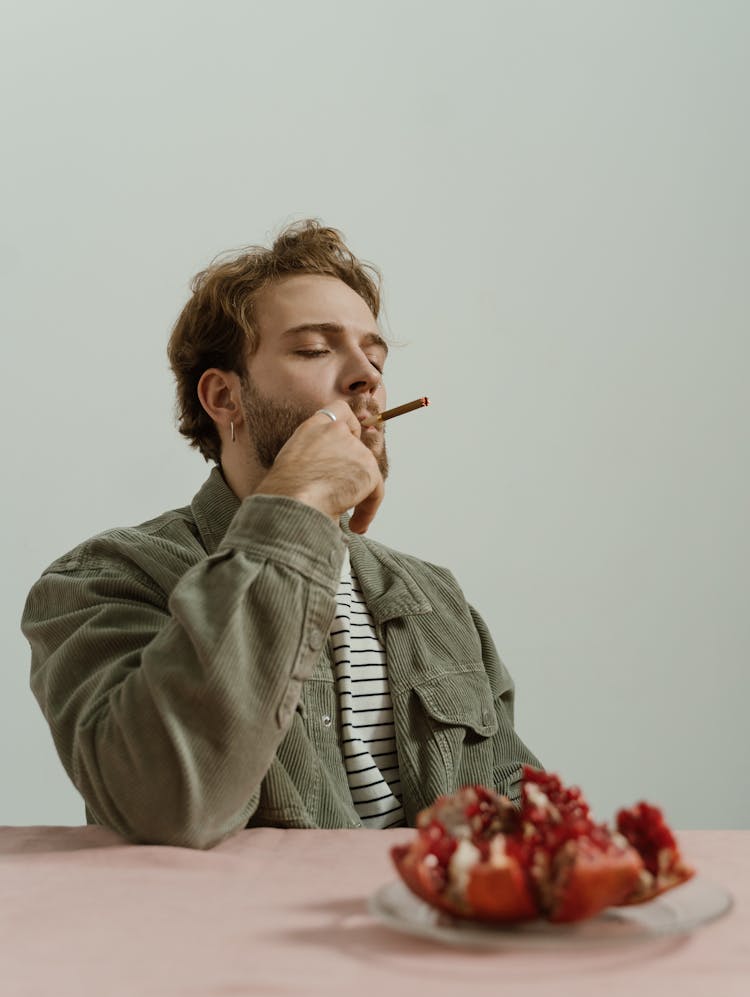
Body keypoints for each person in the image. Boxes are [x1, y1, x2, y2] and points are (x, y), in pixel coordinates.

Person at [21, 219, 542, 849]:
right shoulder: (104, 578)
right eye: (315, 350)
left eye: (374, 357)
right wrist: (301, 499)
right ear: (223, 396)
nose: (366, 378)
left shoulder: (436, 597)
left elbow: (524, 828)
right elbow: (166, 806)